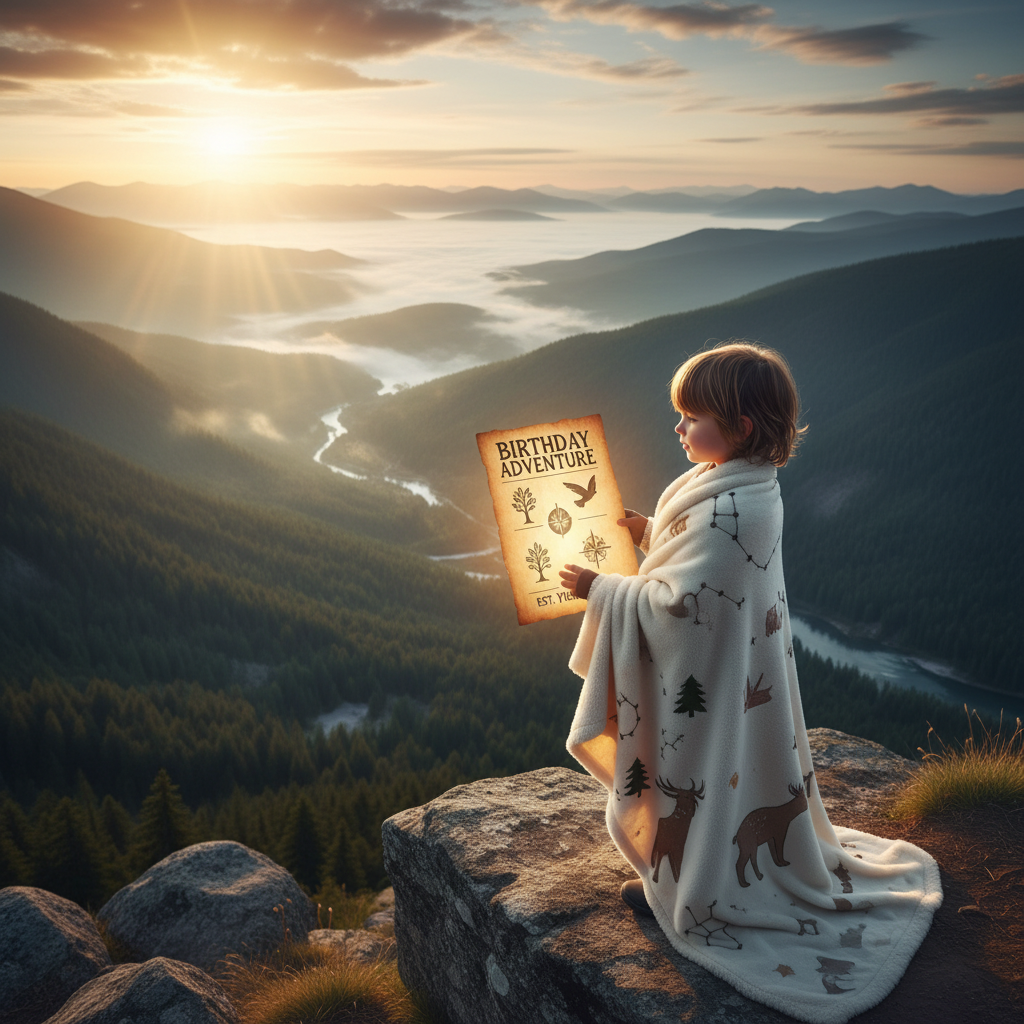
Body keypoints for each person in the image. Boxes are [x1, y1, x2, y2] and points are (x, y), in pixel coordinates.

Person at [559, 342, 940, 1024]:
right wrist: (651, 533)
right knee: (717, 780)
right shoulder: (740, 485)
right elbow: (696, 567)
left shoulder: (735, 505)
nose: (678, 428)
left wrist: (601, 589)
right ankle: (681, 870)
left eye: (692, 417)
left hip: (708, 694)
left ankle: (700, 887)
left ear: (739, 427)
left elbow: (683, 608)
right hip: (729, 682)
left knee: (698, 775)